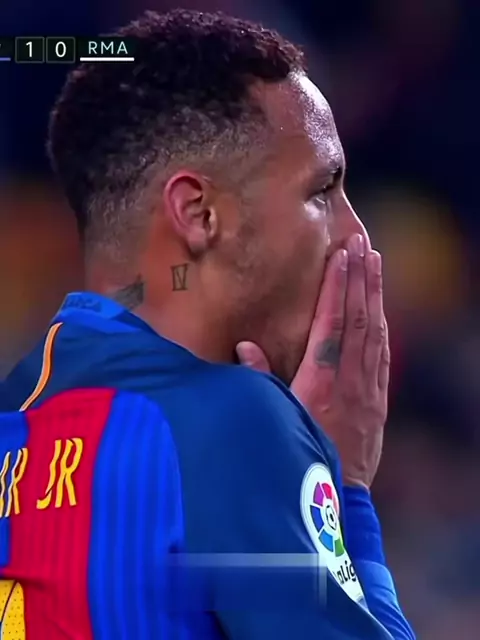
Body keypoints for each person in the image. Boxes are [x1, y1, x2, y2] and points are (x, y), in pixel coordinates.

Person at [0, 9, 414, 639]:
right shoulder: (233, 420)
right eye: (322, 190)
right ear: (198, 213)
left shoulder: (16, 411)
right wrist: (346, 487)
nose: (354, 233)